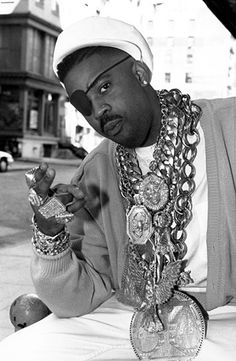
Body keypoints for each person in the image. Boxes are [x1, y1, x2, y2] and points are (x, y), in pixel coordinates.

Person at [0, 16, 236, 361]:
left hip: (227, 313)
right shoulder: (95, 171)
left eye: (104, 87)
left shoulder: (228, 128)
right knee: (18, 353)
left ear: (140, 73)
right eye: (83, 104)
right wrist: (50, 232)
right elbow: (75, 301)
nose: (97, 110)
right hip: (135, 315)